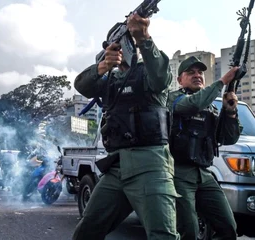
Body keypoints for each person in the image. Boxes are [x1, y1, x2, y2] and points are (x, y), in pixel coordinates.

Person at [71, 13, 180, 240]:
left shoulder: (147, 70)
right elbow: (81, 85)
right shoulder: (109, 79)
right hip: (117, 167)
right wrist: (101, 67)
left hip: (151, 165)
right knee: (86, 231)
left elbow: (161, 79)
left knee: (163, 236)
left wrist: (144, 38)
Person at [168, 56, 241, 239]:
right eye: (191, 72)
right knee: (188, 231)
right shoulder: (173, 99)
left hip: (205, 174)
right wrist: (223, 81)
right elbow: (192, 104)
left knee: (228, 226)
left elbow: (228, 138)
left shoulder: (211, 107)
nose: (197, 75)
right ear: (179, 80)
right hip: (179, 173)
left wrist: (231, 112)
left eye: (200, 72)